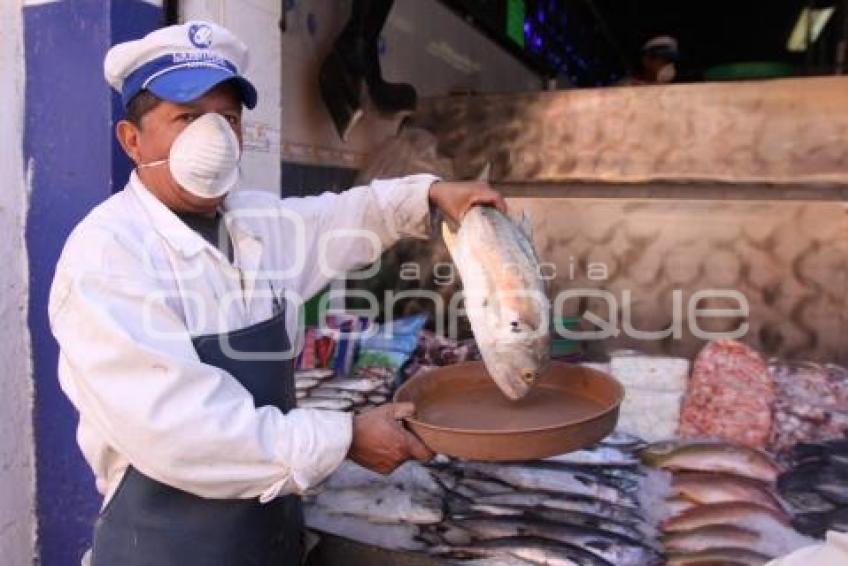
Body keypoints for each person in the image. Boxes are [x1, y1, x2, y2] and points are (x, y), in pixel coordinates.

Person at [48, 20, 506, 565]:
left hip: (267, 537)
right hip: (164, 547)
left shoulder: (254, 222)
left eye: (228, 118)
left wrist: (430, 193)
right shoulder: (107, 256)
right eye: (188, 117)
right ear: (131, 138)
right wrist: (344, 438)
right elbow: (185, 433)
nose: (214, 136)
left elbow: (345, 216)